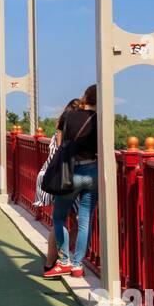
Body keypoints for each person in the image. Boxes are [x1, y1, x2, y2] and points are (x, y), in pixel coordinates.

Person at [51, 86, 98, 278]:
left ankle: (64, 261)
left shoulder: (71, 116)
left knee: (59, 216)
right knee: (85, 220)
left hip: (71, 171)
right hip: (93, 171)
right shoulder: (101, 120)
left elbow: (62, 142)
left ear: (85, 96)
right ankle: (78, 265)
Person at [43, 98, 83, 277]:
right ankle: (62, 259)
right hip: (66, 178)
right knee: (67, 219)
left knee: (61, 219)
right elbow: (63, 153)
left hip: (58, 178)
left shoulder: (60, 128)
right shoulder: (70, 131)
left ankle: (56, 260)